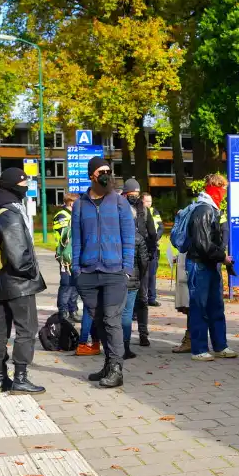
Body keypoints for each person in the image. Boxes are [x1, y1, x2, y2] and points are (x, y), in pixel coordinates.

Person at [71, 157, 136, 388]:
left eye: (109, 170)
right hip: (87, 273)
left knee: (111, 320)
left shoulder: (119, 203)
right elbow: (76, 240)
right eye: (102, 171)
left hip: (114, 272)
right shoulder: (80, 204)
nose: (107, 174)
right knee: (99, 321)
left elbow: (129, 239)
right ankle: (108, 364)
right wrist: (76, 270)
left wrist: (126, 269)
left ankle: (117, 369)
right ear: (92, 175)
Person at [0, 168, 47, 394]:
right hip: (17, 283)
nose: (25, 187)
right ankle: (20, 377)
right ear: (13, 185)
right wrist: (31, 273)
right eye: (23, 183)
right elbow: (18, 254)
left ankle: (1, 378)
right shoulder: (10, 212)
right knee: (26, 329)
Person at [186, 174, 237, 361]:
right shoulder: (204, 210)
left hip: (210, 263)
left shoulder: (211, 209)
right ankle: (199, 349)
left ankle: (220, 345)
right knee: (200, 307)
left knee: (216, 306)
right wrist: (222, 256)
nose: (224, 192)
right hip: (200, 264)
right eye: (223, 188)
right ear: (215, 187)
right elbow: (202, 243)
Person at [122, 179, 156, 355]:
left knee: (142, 298)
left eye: (137, 194)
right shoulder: (119, 207)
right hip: (124, 261)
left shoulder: (144, 210)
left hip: (141, 259)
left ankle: (143, 333)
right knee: (124, 301)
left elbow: (152, 233)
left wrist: (150, 253)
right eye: (131, 194)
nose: (134, 197)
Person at [54, 194, 80, 323]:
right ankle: (63, 311)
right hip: (65, 255)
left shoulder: (75, 215)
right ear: (71, 203)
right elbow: (65, 235)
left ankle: (73, 310)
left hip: (76, 254)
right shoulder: (62, 215)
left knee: (75, 284)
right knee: (66, 284)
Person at [143, 192, 163, 306]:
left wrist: (156, 237)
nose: (149, 203)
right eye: (147, 201)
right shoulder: (140, 211)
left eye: (150, 201)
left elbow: (160, 227)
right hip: (144, 245)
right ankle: (144, 297)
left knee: (152, 273)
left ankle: (152, 297)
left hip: (153, 244)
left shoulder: (154, 211)